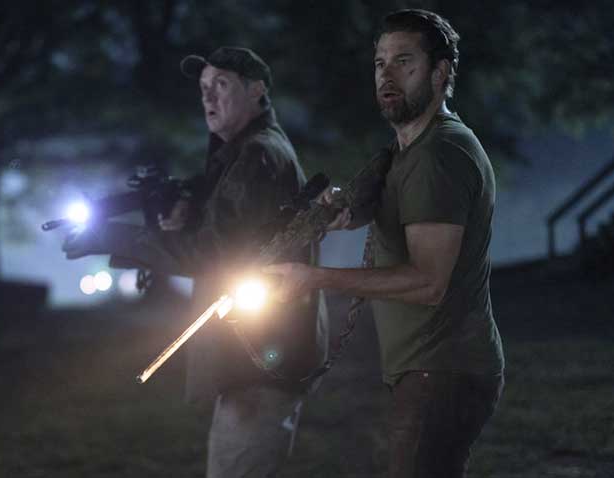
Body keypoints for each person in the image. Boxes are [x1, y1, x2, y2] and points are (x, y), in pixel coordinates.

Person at [62, 47, 330, 477]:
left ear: (257, 90)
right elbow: (233, 234)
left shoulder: (258, 155)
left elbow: (216, 253)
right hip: (259, 353)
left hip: (261, 357)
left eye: (221, 85)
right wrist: (188, 209)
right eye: (204, 88)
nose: (209, 96)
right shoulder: (244, 154)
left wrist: (114, 237)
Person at [264, 9, 505, 478]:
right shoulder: (409, 150)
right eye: (380, 63)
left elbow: (428, 281)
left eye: (404, 62)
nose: (387, 75)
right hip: (431, 369)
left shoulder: (439, 155)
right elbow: (393, 205)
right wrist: (344, 214)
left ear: (440, 73)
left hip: (444, 371)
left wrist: (313, 277)